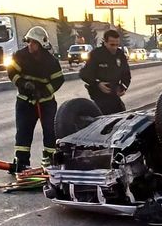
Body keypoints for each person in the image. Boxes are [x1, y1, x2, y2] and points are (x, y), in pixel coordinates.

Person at [8, 26, 65, 170]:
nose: (30, 45)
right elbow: (12, 72)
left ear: (41, 44)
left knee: (50, 132)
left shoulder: (50, 61)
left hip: (46, 103)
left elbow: (58, 80)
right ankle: (21, 162)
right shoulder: (20, 56)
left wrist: (44, 92)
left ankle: (50, 161)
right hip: (25, 101)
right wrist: (23, 84)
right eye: (29, 41)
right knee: (23, 132)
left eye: (33, 42)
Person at [79, 29, 131, 115]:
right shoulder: (96, 54)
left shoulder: (120, 55)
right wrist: (97, 83)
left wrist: (123, 87)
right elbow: (84, 74)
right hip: (99, 96)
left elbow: (126, 74)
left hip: (114, 94)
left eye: (117, 45)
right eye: (112, 44)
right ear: (105, 42)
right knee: (103, 116)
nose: (114, 47)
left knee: (122, 115)